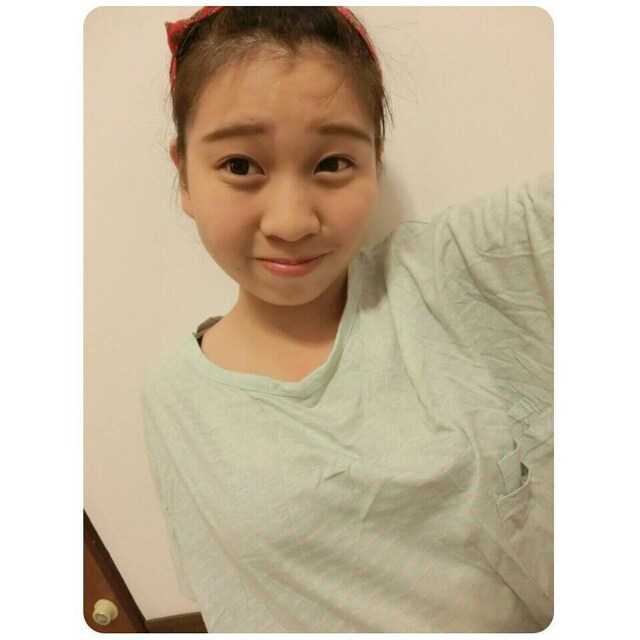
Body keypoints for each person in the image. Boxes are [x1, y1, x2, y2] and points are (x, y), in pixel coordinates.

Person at [142, 6, 553, 633]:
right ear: (185, 177)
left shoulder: (445, 270)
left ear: (375, 162)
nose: (290, 222)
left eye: (332, 163)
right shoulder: (175, 397)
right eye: (241, 166)